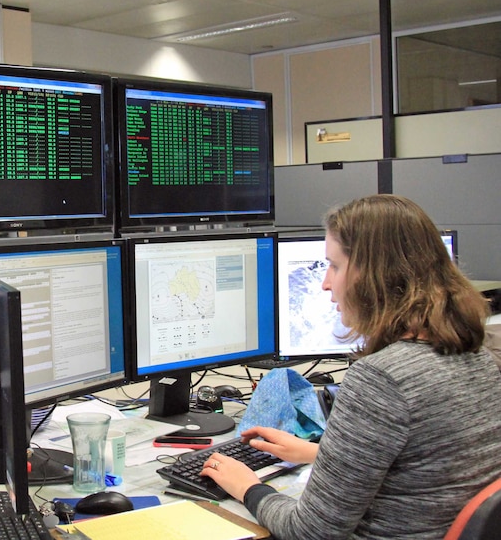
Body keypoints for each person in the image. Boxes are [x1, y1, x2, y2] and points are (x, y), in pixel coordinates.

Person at [200, 194, 501, 540]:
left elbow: (310, 531)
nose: (327, 283)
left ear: (373, 276)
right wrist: (321, 453)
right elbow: (430, 467)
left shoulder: (382, 378)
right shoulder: (475, 353)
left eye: (335, 266)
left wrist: (248, 487)